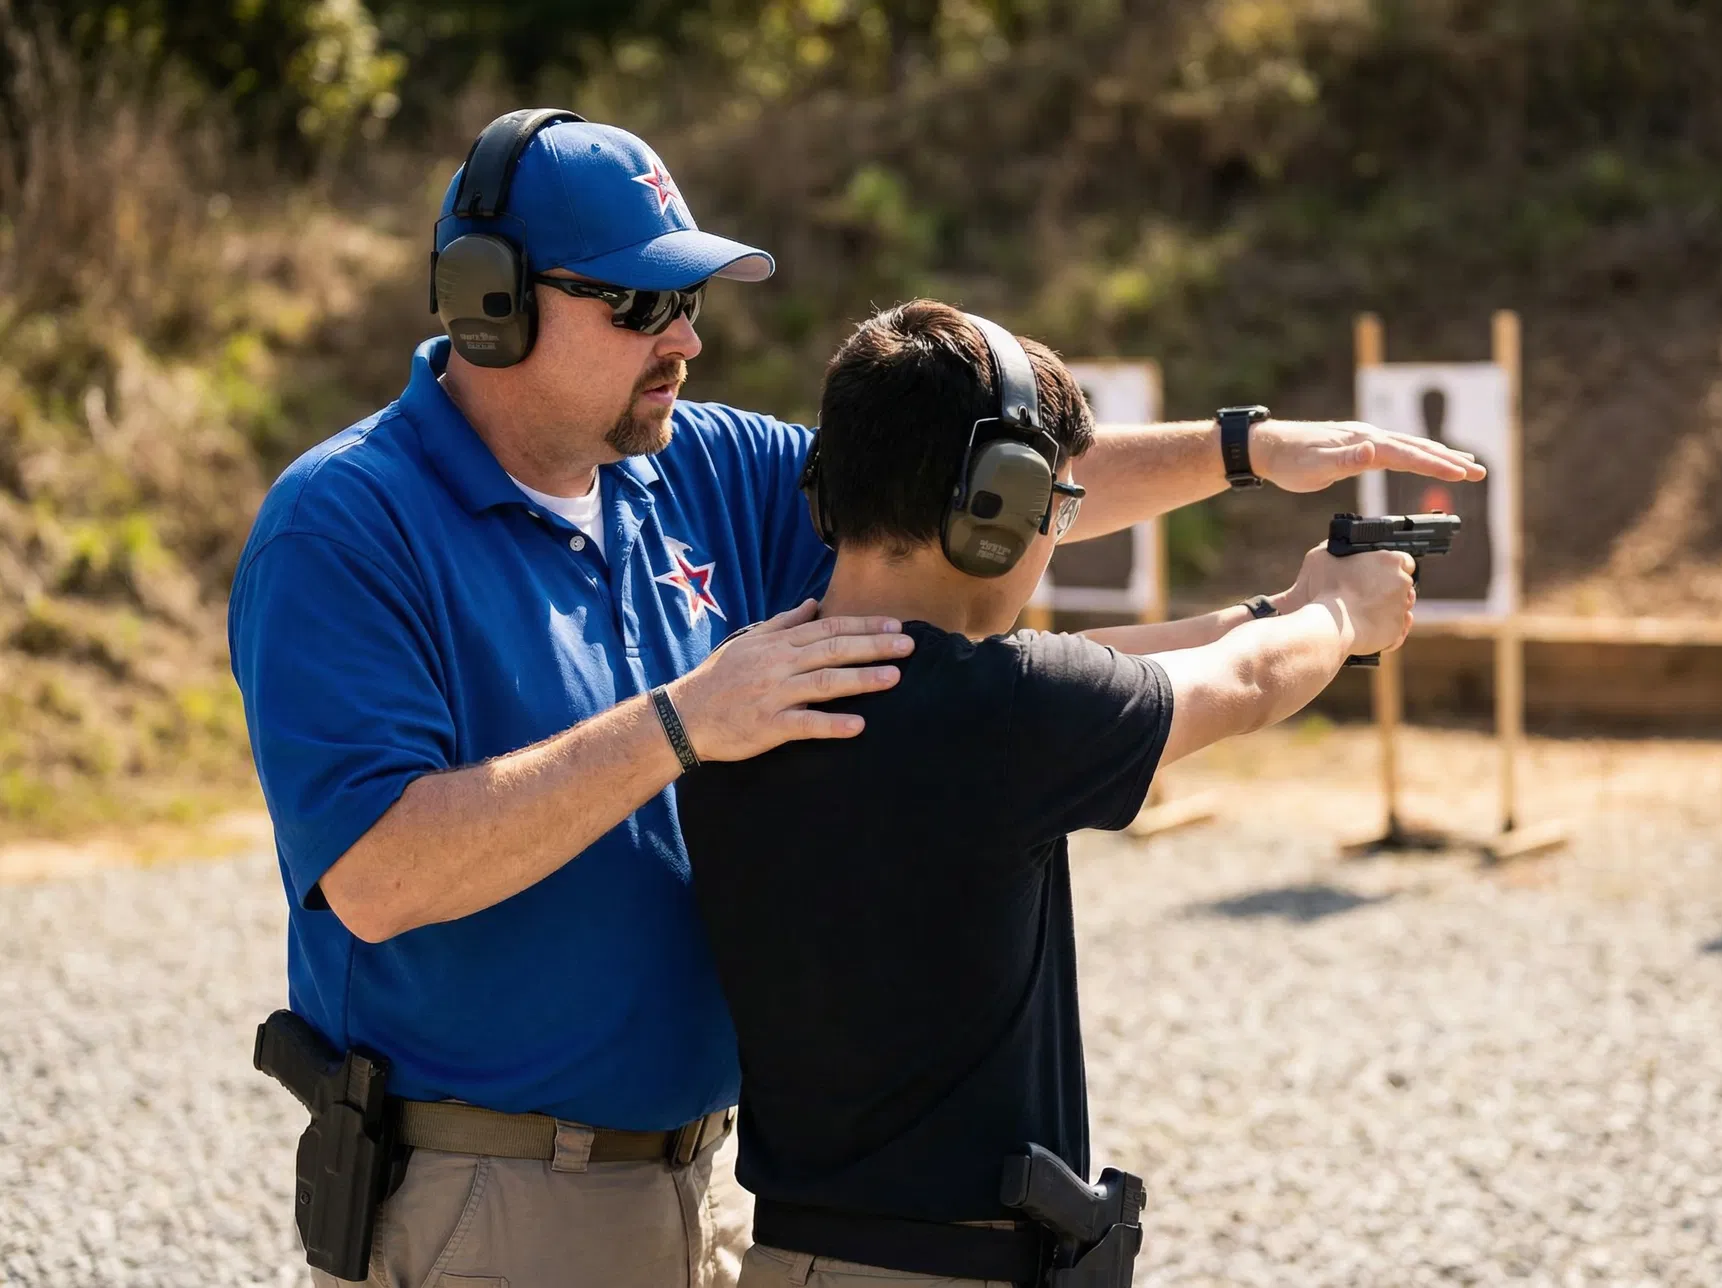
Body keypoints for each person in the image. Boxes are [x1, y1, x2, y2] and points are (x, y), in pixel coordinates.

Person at [228, 106, 1480, 1288]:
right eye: (641, 301)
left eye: (692, 297)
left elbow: (960, 480)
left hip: (714, 1183)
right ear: (488, 305)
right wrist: (681, 724)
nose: (687, 335)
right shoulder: (347, 526)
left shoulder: (691, 465)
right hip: (492, 1193)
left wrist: (1244, 452)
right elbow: (379, 874)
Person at [676, 300, 1419, 1288]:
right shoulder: (1004, 715)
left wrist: (1273, 610)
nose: (1054, 538)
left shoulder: (746, 684)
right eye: (1056, 510)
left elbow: (1071, 673)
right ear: (995, 507)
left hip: (791, 1254)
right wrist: (1339, 611)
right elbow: (1238, 686)